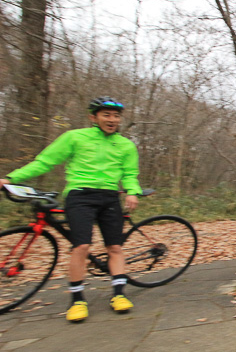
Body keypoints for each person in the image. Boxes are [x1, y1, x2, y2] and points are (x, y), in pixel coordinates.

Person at [0, 96, 143, 322]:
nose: (112, 120)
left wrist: (132, 191)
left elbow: (129, 174)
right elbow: (44, 161)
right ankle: (77, 300)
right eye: (106, 115)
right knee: (81, 246)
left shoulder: (126, 145)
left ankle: (119, 295)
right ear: (93, 117)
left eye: (116, 116)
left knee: (115, 247)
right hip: (80, 195)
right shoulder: (74, 137)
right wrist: (11, 178)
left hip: (110, 197)